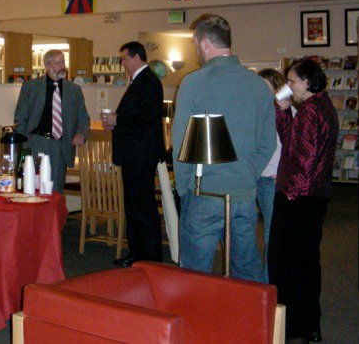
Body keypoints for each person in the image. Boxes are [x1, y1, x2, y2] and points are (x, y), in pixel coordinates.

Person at [172, 14, 275, 282]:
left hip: (204, 192)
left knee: (195, 274)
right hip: (243, 194)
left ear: (204, 43)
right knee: (247, 272)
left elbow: (182, 143)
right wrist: (248, 175)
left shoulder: (194, 83)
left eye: (195, 44)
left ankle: (197, 324)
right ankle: (253, 323)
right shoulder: (258, 85)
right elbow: (268, 143)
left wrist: (183, 188)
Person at [268, 59, 338, 344]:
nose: (289, 87)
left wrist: (290, 192)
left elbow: (305, 160)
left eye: (293, 81)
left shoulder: (310, 112)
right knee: (307, 262)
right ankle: (308, 325)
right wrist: (284, 114)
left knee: (284, 263)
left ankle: (291, 326)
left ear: (308, 82)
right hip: (313, 197)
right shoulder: (319, 106)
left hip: (299, 199)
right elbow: (292, 143)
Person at [101, 41, 164, 267]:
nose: (122, 63)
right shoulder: (141, 81)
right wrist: (116, 124)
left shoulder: (147, 81)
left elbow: (149, 117)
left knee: (141, 207)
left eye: (124, 58)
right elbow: (139, 117)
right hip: (135, 154)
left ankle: (148, 255)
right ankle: (139, 252)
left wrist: (119, 119)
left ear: (136, 57)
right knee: (135, 206)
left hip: (140, 155)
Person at [14, 49, 90, 193]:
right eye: (58, 63)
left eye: (63, 62)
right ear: (47, 66)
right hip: (36, 142)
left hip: (61, 146)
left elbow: (83, 117)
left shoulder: (74, 90)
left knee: (55, 192)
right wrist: (26, 142)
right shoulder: (31, 87)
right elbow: (20, 117)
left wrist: (81, 134)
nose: (63, 66)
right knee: (33, 189)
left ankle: (55, 217)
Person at [256, 68, 287, 281]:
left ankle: (268, 283)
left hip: (271, 179)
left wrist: (284, 172)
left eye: (266, 86)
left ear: (277, 88)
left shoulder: (286, 112)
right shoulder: (258, 110)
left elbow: (292, 147)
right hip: (255, 177)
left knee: (270, 232)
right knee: (246, 230)